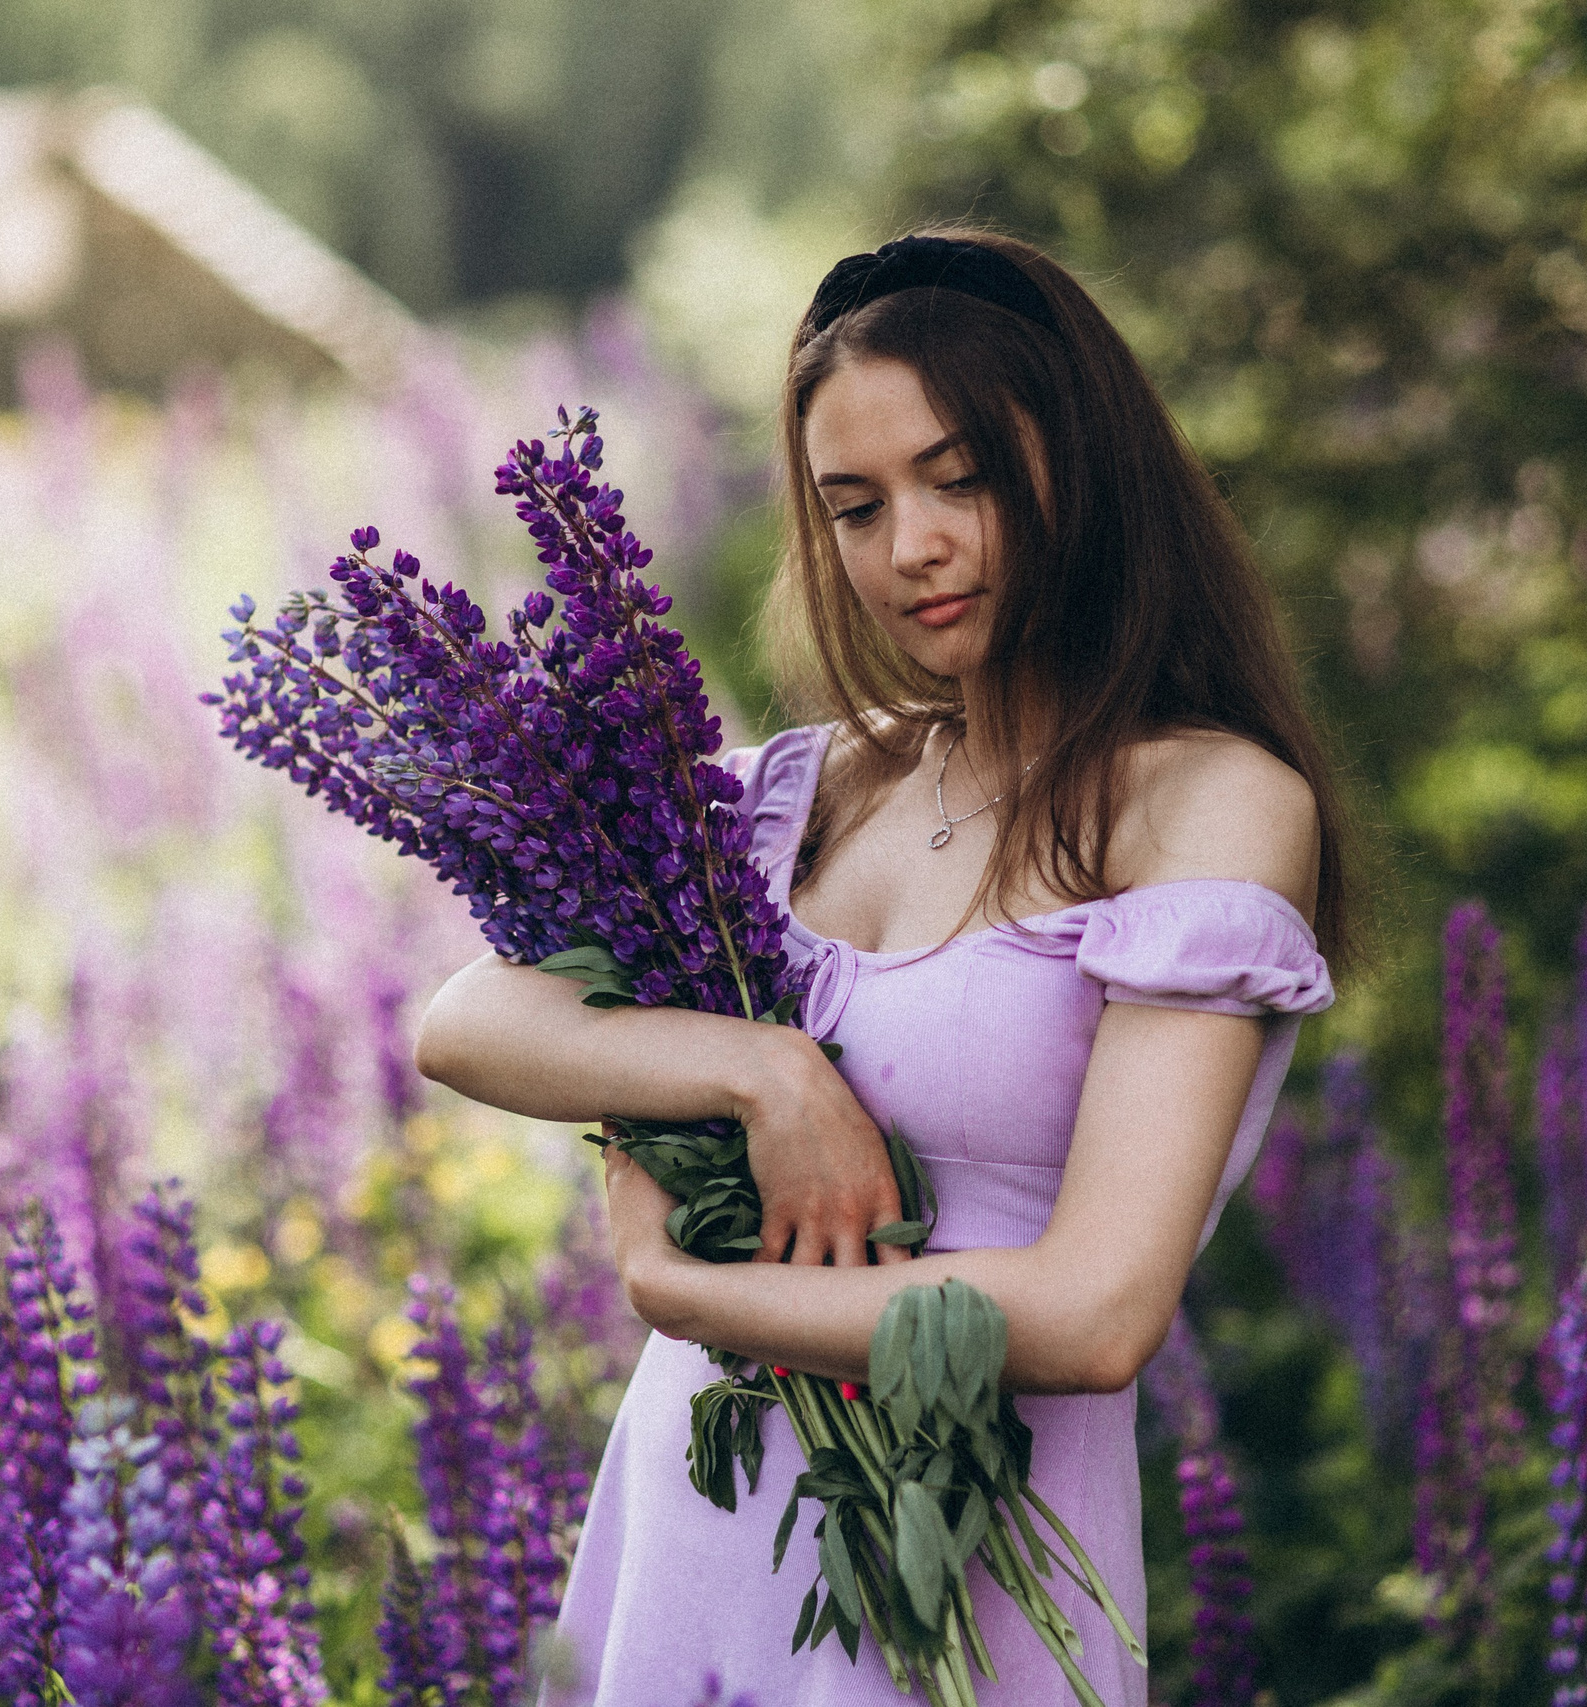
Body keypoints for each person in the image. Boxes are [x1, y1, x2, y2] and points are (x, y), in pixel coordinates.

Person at [416, 228, 1350, 1706]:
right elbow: (466, 1018)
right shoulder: (807, 793)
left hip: (965, 1572)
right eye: (855, 507)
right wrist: (763, 1069)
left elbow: (1098, 1313)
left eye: (958, 478)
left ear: (1086, 466)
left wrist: (685, 1291)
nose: (908, 545)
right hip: (702, 1524)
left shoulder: (1206, 805)